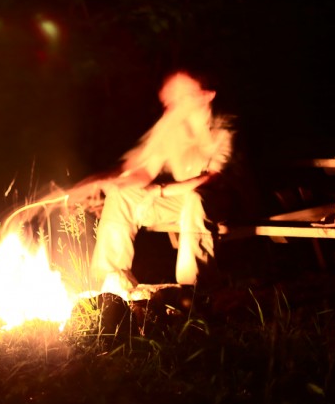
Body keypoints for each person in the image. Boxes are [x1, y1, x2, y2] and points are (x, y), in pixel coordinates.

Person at [75, 68, 248, 300]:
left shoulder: (224, 127)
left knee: (195, 200)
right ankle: (110, 282)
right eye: (170, 95)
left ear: (206, 95)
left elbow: (212, 178)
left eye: (182, 94)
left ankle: (195, 290)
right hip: (183, 203)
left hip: (226, 203)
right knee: (122, 195)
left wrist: (159, 191)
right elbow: (145, 169)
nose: (171, 100)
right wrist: (111, 183)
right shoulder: (173, 128)